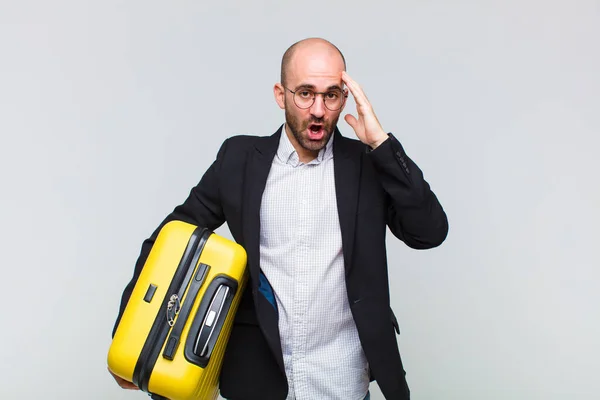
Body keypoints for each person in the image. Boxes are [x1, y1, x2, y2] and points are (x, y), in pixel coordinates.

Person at [109, 37, 449, 400]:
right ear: (280, 94)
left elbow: (428, 232)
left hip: (342, 380)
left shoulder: (367, 164)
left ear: (344, 99)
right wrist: (131, 336)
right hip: (258, 379)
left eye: (331, 95)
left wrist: (381, 144)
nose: (318, 109)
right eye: (305, 93)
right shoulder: (239, 159)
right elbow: (169, 240)